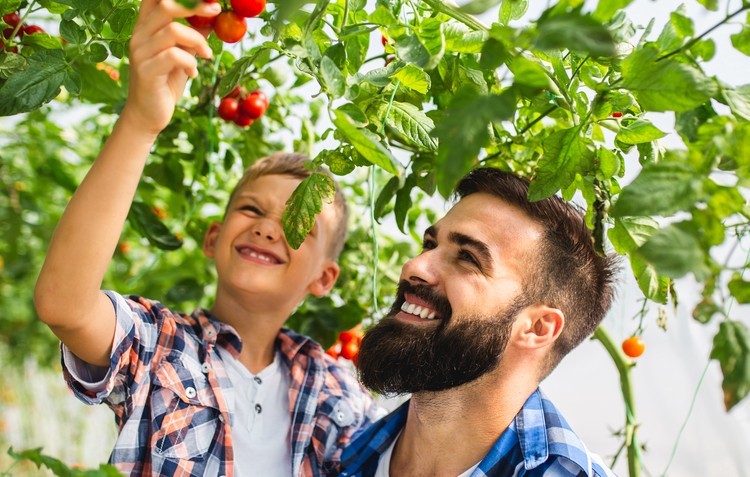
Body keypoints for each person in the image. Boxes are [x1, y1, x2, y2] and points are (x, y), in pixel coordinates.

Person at [33, 0, 375, 475]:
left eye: (298, 224)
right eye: (251, 209)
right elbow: (64, 306)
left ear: (325, 278)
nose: (266, 227)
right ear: (213, 238)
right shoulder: (161, 346)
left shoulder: (339, 390)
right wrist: (140, 121)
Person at [338, 168, 619, 477]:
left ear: (537, 328)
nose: (413, 266)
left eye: (468, 258)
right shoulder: (339, 453)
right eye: (430, 244)